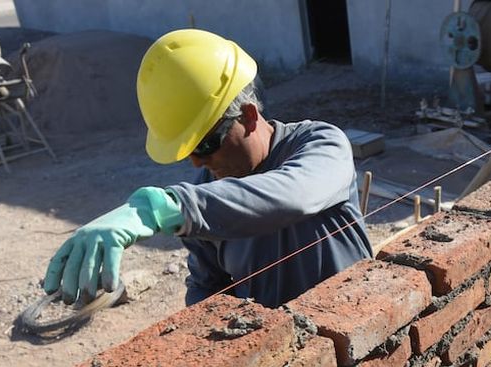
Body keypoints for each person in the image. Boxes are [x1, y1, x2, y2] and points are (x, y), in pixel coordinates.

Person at [43, 29, 373, 309]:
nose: (197, 162)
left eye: (203, 144)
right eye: (187, 151)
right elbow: (207, 286)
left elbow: (295, 194)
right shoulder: (205, 194)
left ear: (248, 116)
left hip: (360, 326)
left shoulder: (321, 143)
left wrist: (166, 208)